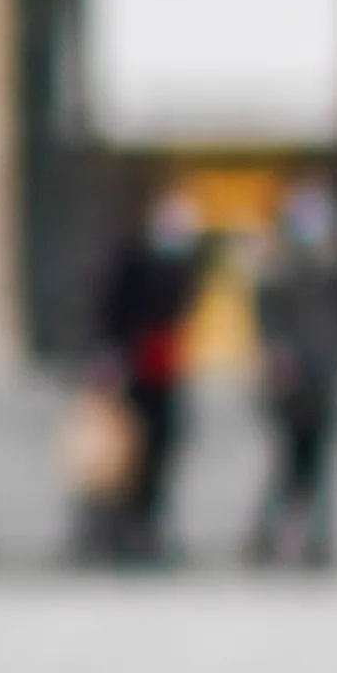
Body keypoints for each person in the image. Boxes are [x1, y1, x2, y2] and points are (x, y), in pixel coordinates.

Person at [88, 192, 204, 567]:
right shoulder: (131, 261)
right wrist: (108, 358)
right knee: (127, 458)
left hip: (164, 374)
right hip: (132, 376)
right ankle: (119, 531)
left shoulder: (181, 268)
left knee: (161, 452)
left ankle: (147, 528)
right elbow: (110, 313)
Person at [247, 179, 337, 570]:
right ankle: (268, 538)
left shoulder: (332, 267)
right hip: (294, 384)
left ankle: (314, 540)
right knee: (291, 465)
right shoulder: (280, 269)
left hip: (324, 379)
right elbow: (270, 325)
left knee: (317, 466)